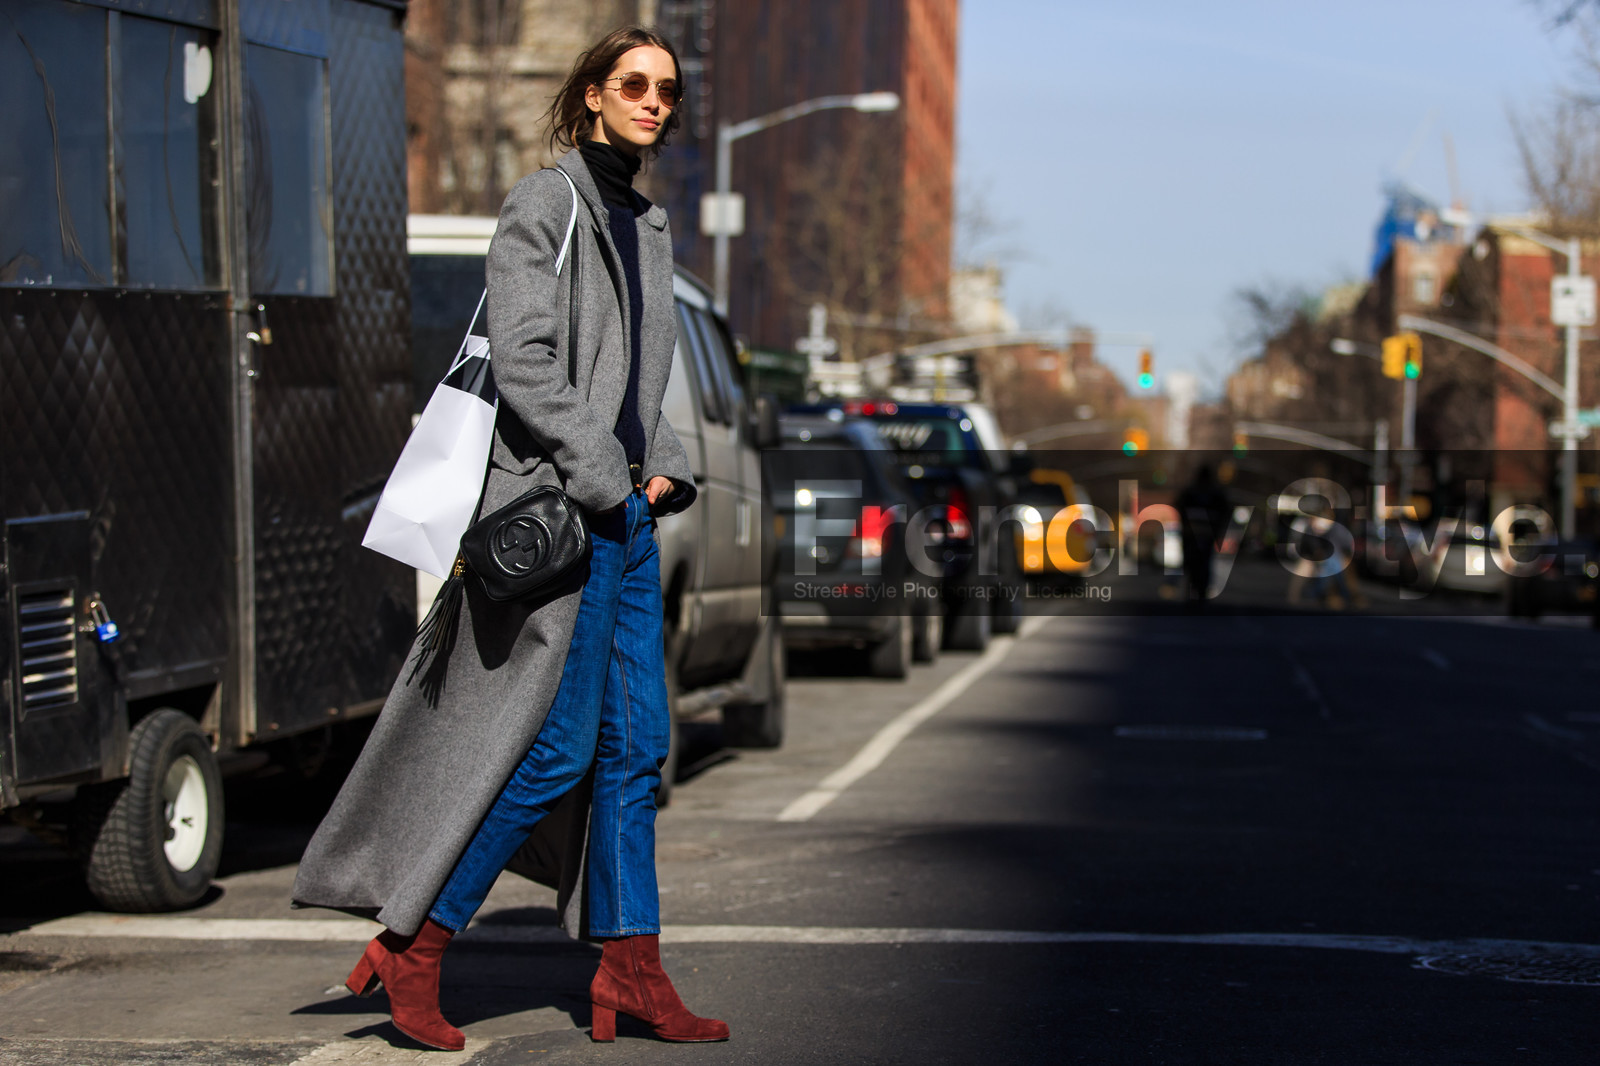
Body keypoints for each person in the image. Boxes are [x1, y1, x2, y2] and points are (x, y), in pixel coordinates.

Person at [291, 27, 728, 1049]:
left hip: (626, 520)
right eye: (633, 85)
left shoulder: (646, 223)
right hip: (566, 520)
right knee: (559, 747)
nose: (653, 102)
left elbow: (636, 385)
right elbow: (528, 363)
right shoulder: (548, 204)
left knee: (636, 751)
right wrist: (599, 472)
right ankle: (417, 942)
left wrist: (665, 459)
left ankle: (633, 972)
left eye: (666, 89)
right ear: (589, 99)